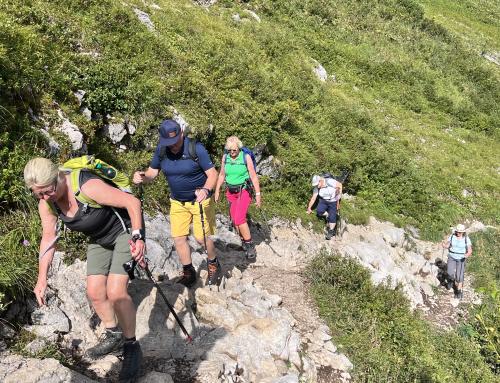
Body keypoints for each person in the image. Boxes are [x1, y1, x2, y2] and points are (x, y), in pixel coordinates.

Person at [24, 157, 144, 382]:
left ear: (58, 177)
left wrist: (138, 237)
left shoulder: (87, 186)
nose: (43, 198)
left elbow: (132, 203)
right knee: (95, 292)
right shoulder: (47, 203)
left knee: (116, 292)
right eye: (37, 194)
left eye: (46, 192)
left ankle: (131, 347)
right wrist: (42, 279)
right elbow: (48, 239)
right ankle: (114, 335)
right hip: (99, 238)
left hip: (124, 231)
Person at [133, 119, 220, 287]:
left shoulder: (196, 149)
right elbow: (152, 172)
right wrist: (143, 177)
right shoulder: (162, 150)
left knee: (201, 238)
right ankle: (188, 271)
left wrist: (205, 190)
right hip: (177, 202)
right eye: (168, 142)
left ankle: (213, 263)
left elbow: (213, 174)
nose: (172, 146)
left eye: (175, 141)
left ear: (181, 133)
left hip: (199, 200)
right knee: (179, 238)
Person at [214, 136, 261, 259]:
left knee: (240, 219)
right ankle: (243, 241)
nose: (232, 153)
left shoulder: (245, 157)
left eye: (234, 150)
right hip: (231, 191)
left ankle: (250, 245)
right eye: (229, 150)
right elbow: (222, 175)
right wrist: (217, 190)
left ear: (239, 148)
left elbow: (254, 177)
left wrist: (258, 195)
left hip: (244, 190)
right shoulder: (226, 157)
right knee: (235, 220)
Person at [306, 174, 342, 240]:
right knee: (319, 211)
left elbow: (340, 185)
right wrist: (309, 208)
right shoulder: (317, 188)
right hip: (323, 200)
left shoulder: (330, 181)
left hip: (333, 200)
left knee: (332, 217)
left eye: (317, 184)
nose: (317, 186)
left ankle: (331, 231)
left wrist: (338, 198)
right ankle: (327, 215)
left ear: (321, 181)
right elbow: (313, 198)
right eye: (315, 185)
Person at [442, 224, 472, 299]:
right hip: (452, 256)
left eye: (460, 232)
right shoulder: (452, 236)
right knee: (449, 272)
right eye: (457, 231)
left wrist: (467, 255)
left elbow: (470, 250)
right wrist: (444, 245)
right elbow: (448, 245)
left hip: (461, 258)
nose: (458, 233)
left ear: (463, 232)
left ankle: (458, 291)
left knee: (459, 275)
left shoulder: (466, 238)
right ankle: (450, 282)